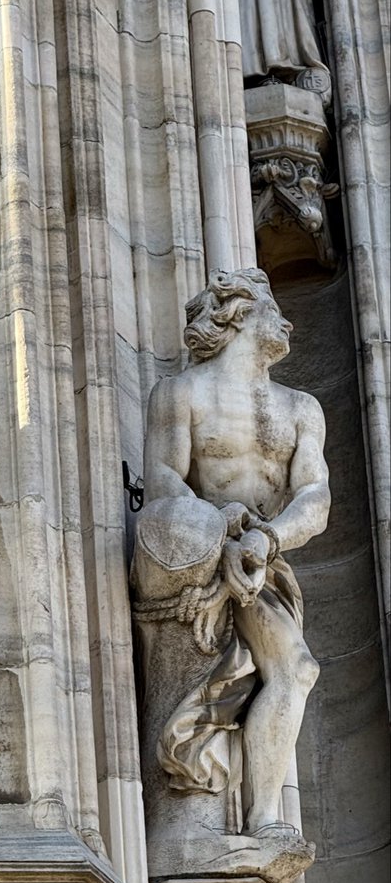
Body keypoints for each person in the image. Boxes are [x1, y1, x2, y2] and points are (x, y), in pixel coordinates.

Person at [142, 267, 330, 836]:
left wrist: (266, 538)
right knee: (292, 668)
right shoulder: (181, 394)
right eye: (273, 309)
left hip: (264, 558)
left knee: (296, 669)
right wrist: (220, 529)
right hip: (203, 551)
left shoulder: (301, 408)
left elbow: (316, 497)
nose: (287, 320)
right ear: (238, 315)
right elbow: (162, 482)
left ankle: (267, 822)